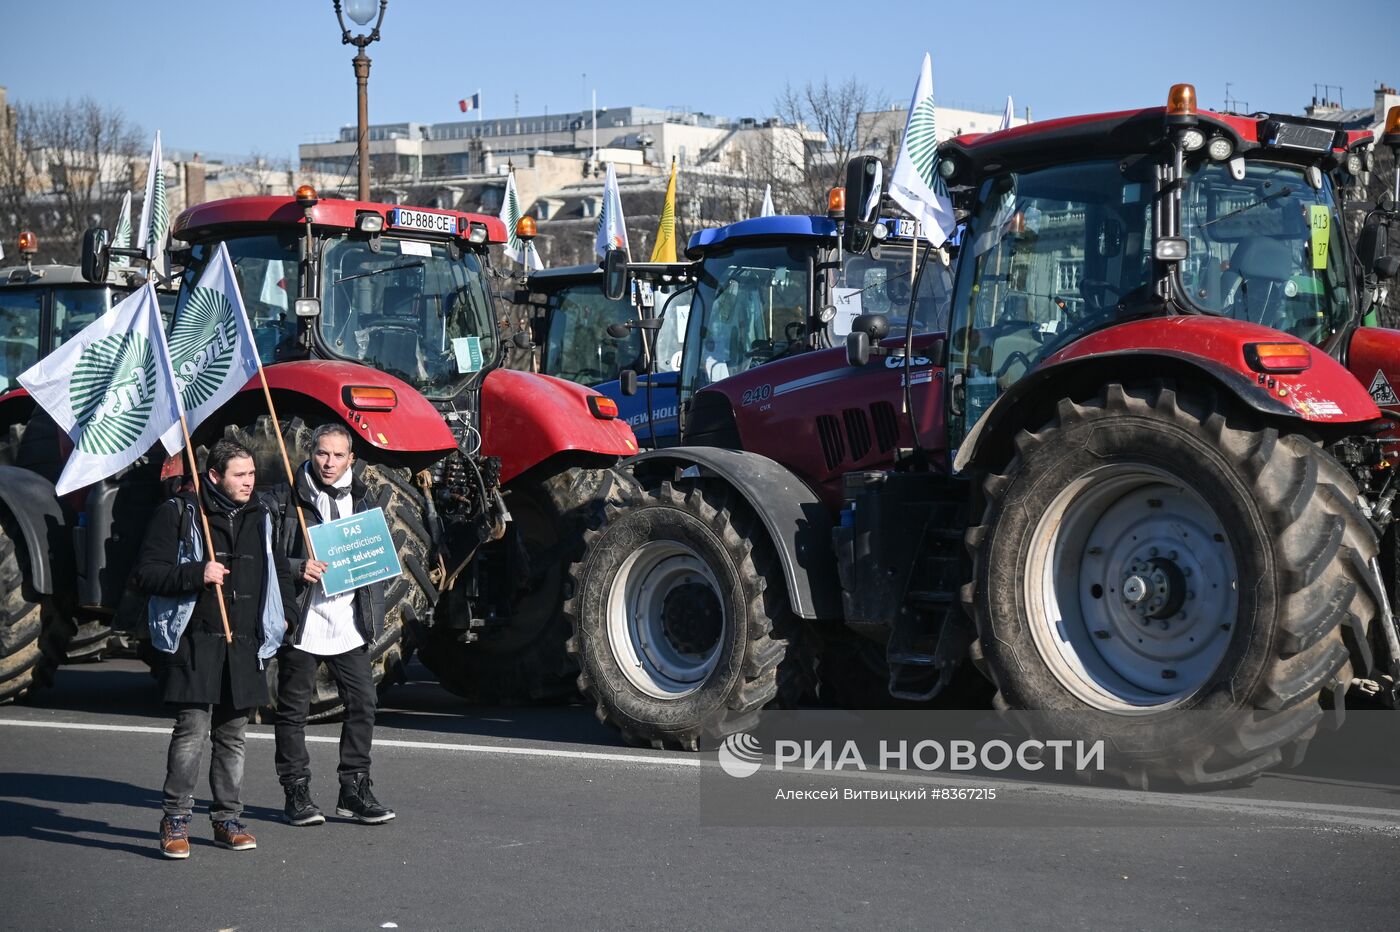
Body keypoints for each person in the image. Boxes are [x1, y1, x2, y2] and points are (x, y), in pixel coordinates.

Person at [132, 439, 297, 859]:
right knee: (191, 733)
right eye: (240, 476)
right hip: (195, 641)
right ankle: (175, 820)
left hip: (244, 643)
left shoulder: (262, 514)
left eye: (252, 475)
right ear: (214, 477)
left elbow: (276, 568)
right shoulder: (179, 513)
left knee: (233, 737)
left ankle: (227, 819)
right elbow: (146, 575)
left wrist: (288, 615)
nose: (249, 483)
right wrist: (196, 573)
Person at [271, 423, 395, 826]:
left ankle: (354, 789)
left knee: (364, 703)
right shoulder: (285, 498)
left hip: (348, 621)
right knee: (293, 711)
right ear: (310, 452)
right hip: (303, 620)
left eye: (338, 455)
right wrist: (296, 567)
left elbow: (376, 559)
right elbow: (261, 558)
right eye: (323, 453)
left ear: (351, 459)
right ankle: (297, 792)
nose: (329, 462)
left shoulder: (365, 499)